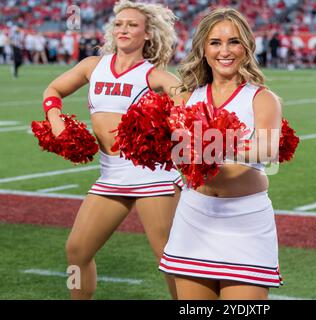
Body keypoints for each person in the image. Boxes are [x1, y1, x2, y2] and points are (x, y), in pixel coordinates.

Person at [43, 0, 183, 300]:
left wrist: (170, 129)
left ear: (147, 34)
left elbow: (190, 107)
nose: (123, 29)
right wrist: (56, 120)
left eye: (132, 25)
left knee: (170, 258)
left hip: (152, 176)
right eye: (119, 24)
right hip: (111, 175)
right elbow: (52, 90)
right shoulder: (93, 66)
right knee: (77, 250)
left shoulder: (154, 75)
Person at [159, 8, 283, 300]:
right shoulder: (187, 97)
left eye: (233, 42)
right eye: (215, 42)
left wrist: (212, 145)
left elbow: (268, 149)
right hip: (194, 218)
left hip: (245, 221)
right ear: (203, 49)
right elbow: (179, 156)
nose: (224, 51)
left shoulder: (262, 98)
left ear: (246, 47)